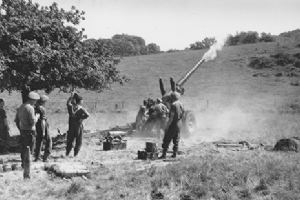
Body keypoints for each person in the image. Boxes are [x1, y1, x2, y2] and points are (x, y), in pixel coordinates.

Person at [15, 92, 40, 167]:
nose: (36, 102)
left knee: (23, 147)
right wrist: (37, 117)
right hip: (30, 131)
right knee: (30, 149)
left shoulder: (21, 107)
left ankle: (23, 163)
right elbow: (32, 122)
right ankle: (28, 165)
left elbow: (16, 120)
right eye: (35, 100)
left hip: (22, 130)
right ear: (32, 100)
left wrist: (20, 128)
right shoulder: (30, 108)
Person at [159, 92, 184, 159]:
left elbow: (171, 117)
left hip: (173, 123)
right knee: (176, 139)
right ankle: (174, 154)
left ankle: (164, 155)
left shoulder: (173, 105)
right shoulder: (181, 104)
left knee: (166, 139)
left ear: (172, 98)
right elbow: (182, 113)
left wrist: (167, 126)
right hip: (179, 123)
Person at [66, 93, 89, 157]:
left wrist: (71, 97)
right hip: (79, 126)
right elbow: (87, 115)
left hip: (71, 126)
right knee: (79, 141)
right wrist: (82, 118)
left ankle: (67, 153)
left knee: (70, 140)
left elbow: (68, 102)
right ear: (80, 101)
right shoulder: (81, 109)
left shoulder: (70, 107)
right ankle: (75, 154)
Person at [34, 95, 52, 162]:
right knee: (49, 140)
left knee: (39, 140)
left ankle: (37, 157)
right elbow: (43, 120)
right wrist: (44, 131)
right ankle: (46, 157)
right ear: (43, 102)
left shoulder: (36, 108)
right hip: (43, 126)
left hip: (37, 126)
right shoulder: (42, 109)